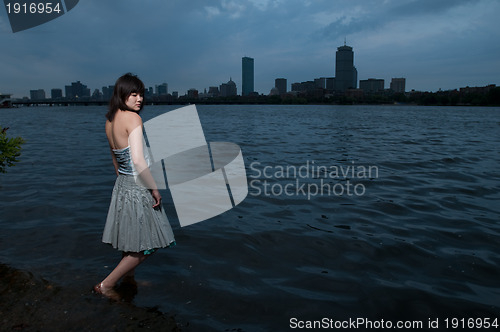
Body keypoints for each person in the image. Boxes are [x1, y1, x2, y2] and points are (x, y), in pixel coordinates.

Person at [94, 73, 175, 299]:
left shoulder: (110, 120)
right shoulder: (133, 119)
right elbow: (139, 160)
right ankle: (106, 285)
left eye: (141, 94)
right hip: (138, 184)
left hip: (122, 183)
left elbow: (115, 161)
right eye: (134, 94)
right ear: (122, 94)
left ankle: (128, 279)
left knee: (131, 237)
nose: (139, 99)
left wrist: (125, 181)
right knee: (148, 244)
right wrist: (154, 189)